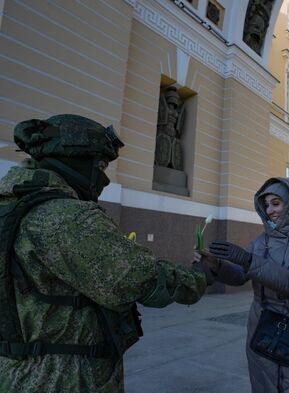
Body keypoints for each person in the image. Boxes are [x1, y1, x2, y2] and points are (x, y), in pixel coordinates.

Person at [0, 115, 209, 393]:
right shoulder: (66, 217)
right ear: (74, 158)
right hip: (61, 378)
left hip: (17, 370)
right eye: (100, 165)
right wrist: (200, 276)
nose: (105, 178)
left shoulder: (11, 205)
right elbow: (140, 279)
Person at [196, 177, 289, 393]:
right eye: (266, 205)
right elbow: (240, 277)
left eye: (276, 203)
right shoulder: (260, 241)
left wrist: (249, 260)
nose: (270, 210)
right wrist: (216, 264)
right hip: (261, 327)